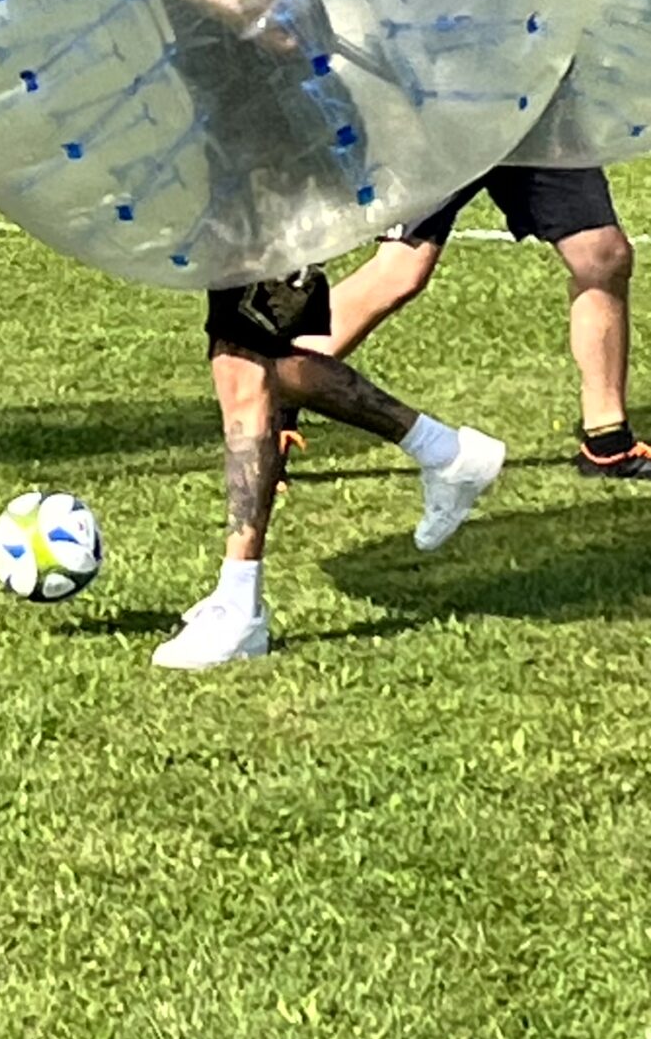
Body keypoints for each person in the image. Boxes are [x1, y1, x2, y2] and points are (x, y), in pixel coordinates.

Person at [154, 268, 506, 670]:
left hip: (261, 212)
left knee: (241, 366)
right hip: (239, 215)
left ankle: (238, 606)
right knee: (265, 362)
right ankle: (445, 451)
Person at [290, 165, 651, 479]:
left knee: (603, 255)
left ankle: (608, 441)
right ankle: (275, 389)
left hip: (537, 109)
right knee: (401, 271)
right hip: (447, 113)